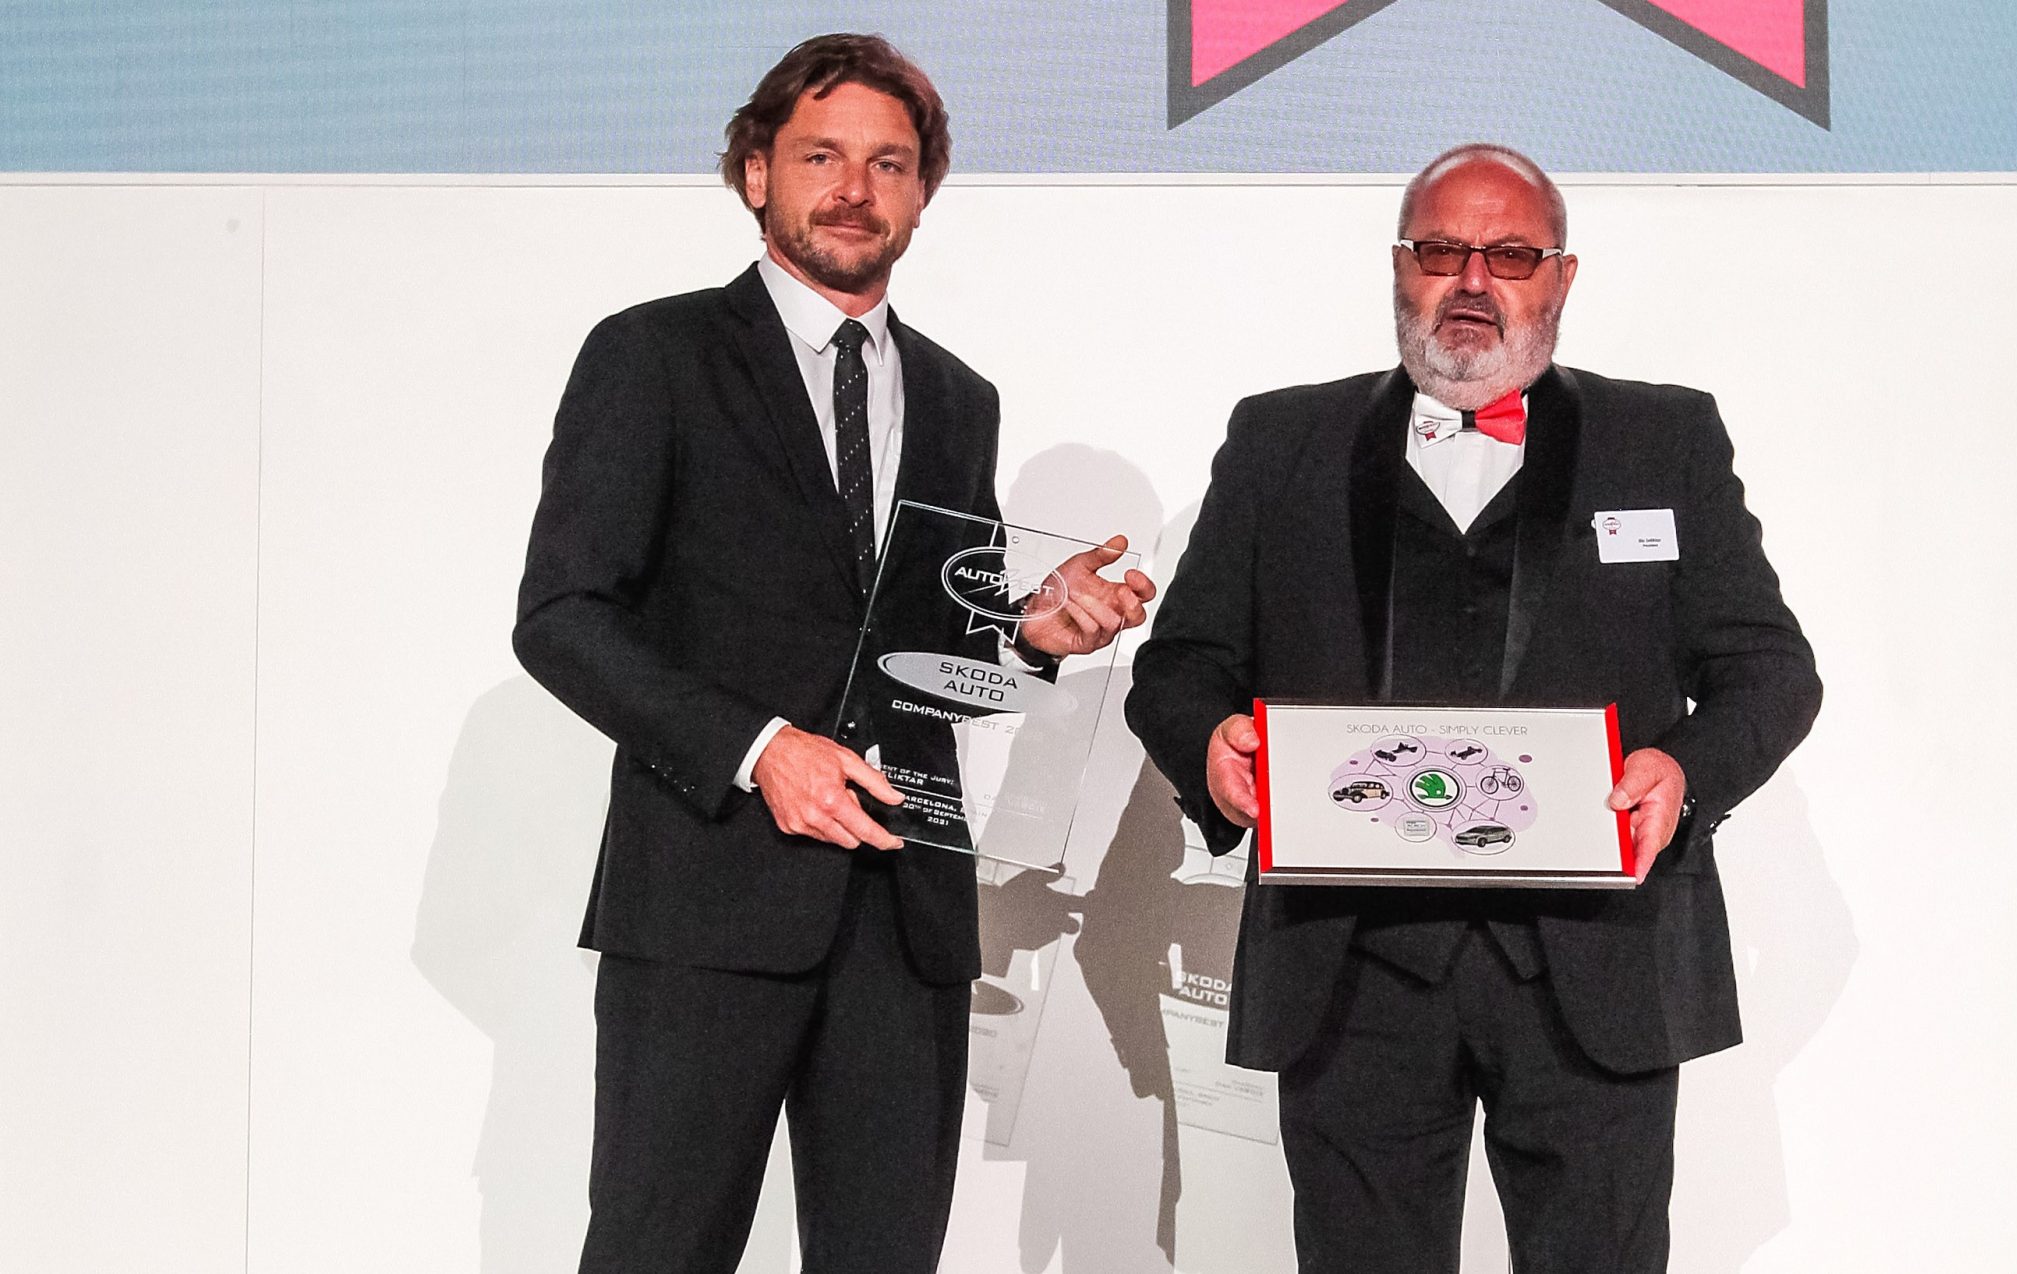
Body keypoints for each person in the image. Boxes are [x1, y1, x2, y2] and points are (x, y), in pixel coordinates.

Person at [513, 34, 1152, 1274]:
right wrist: (760, 749)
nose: (855, 189)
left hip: (905, 916)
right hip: (704, 906)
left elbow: (925, 648)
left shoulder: (958, 396)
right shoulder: (653, 354)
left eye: (888, 164)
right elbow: (563, 615)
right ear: (757, 173)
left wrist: (1030, 633)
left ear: (922, 192)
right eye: (820, 157)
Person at [1124, 143, 1820, 1274]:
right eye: (1442, 250)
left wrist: (1684, 775)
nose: (1472, 280)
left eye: (1511, 255)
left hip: (1598, 964)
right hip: (1349, 968)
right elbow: (1179, 667)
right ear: (1399, 266)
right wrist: (1209, 745)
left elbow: (1770, 670)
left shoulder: (1665, 438)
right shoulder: (1279, 440)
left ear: (1562, 277)